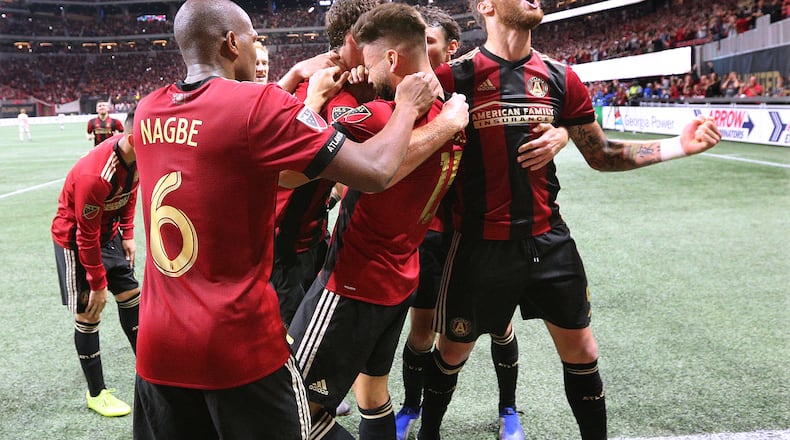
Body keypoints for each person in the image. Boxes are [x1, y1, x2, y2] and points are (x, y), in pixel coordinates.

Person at [131, 1, 439, 439]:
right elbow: (375, 171)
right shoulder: (258, 105)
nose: (259, 46)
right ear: (231, 42)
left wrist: (294, 80)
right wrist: (408, 106)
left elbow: (223, 135)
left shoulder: (148, 111)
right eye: (254, 38)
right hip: (237, 345)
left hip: (158, 347)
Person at [416, 0, 723, 438]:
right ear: (485, 6)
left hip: (549, 241)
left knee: (582, 350)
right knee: (452, 352)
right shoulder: (454, 77)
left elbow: (602, 156)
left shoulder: (561, 77)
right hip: (477, 246)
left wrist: (679, 146)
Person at [286, 3, 469, 439]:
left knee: (291, 405)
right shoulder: (454, 117)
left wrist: (309, 91)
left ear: (391, 58)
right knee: (373, 397)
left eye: (370, 64)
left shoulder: (381, 119)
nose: (366, 75)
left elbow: (295, 157)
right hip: (399, 280)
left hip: (350, 284)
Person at [394, 6, 570, 440]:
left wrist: (561, 132)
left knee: (500, 324)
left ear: (449, 48)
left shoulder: (463, 83)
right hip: (427, 236)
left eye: (428, 45)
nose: (421, 54)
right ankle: (411, 407)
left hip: (472, 236)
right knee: (422, 331)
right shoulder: (417, 96)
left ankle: (508, 407)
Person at [51, 110, 139, 418]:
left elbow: (130, 194)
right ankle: (96, 393)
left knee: (131, 296)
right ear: (132, 138)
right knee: (90, 310)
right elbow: (85, 236)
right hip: (76, 241)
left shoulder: (139, 156)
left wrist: (127, 234)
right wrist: (98, 284)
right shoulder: (96, 175)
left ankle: (148, 367)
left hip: (109, 231)